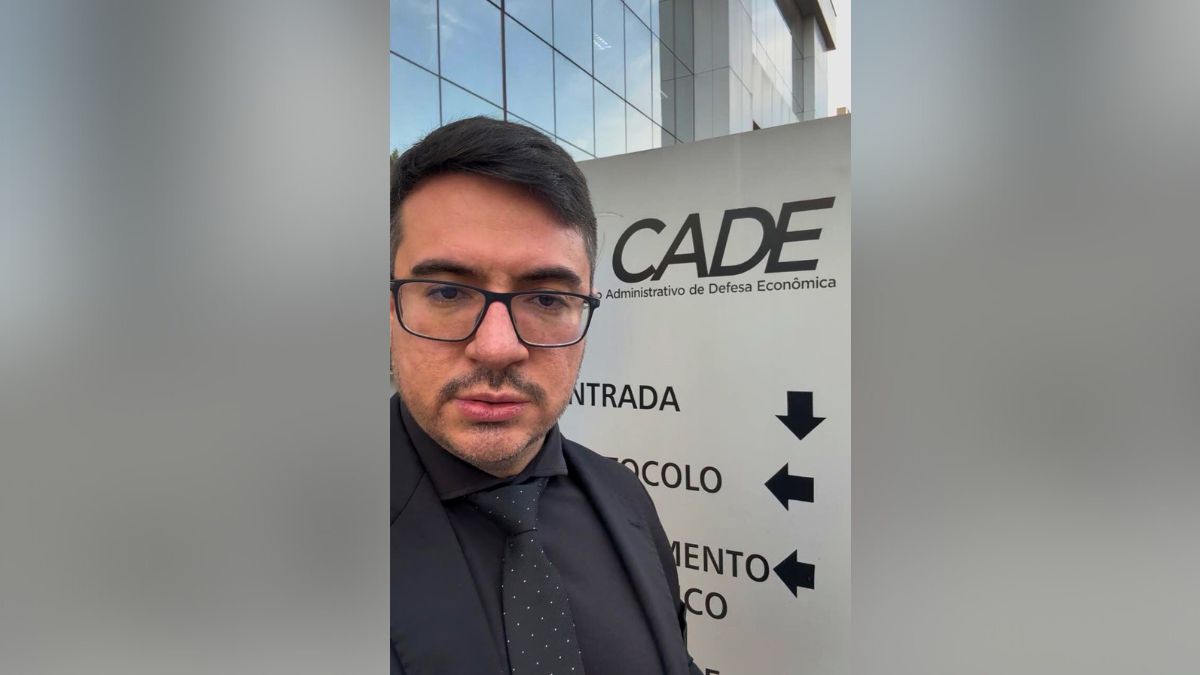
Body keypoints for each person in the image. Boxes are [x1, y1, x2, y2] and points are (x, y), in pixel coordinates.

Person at [390, 116, 702, 675]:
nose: (497, 347)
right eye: (446, 292)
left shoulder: (625, 498)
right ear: (390, 308)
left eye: (547, 299)